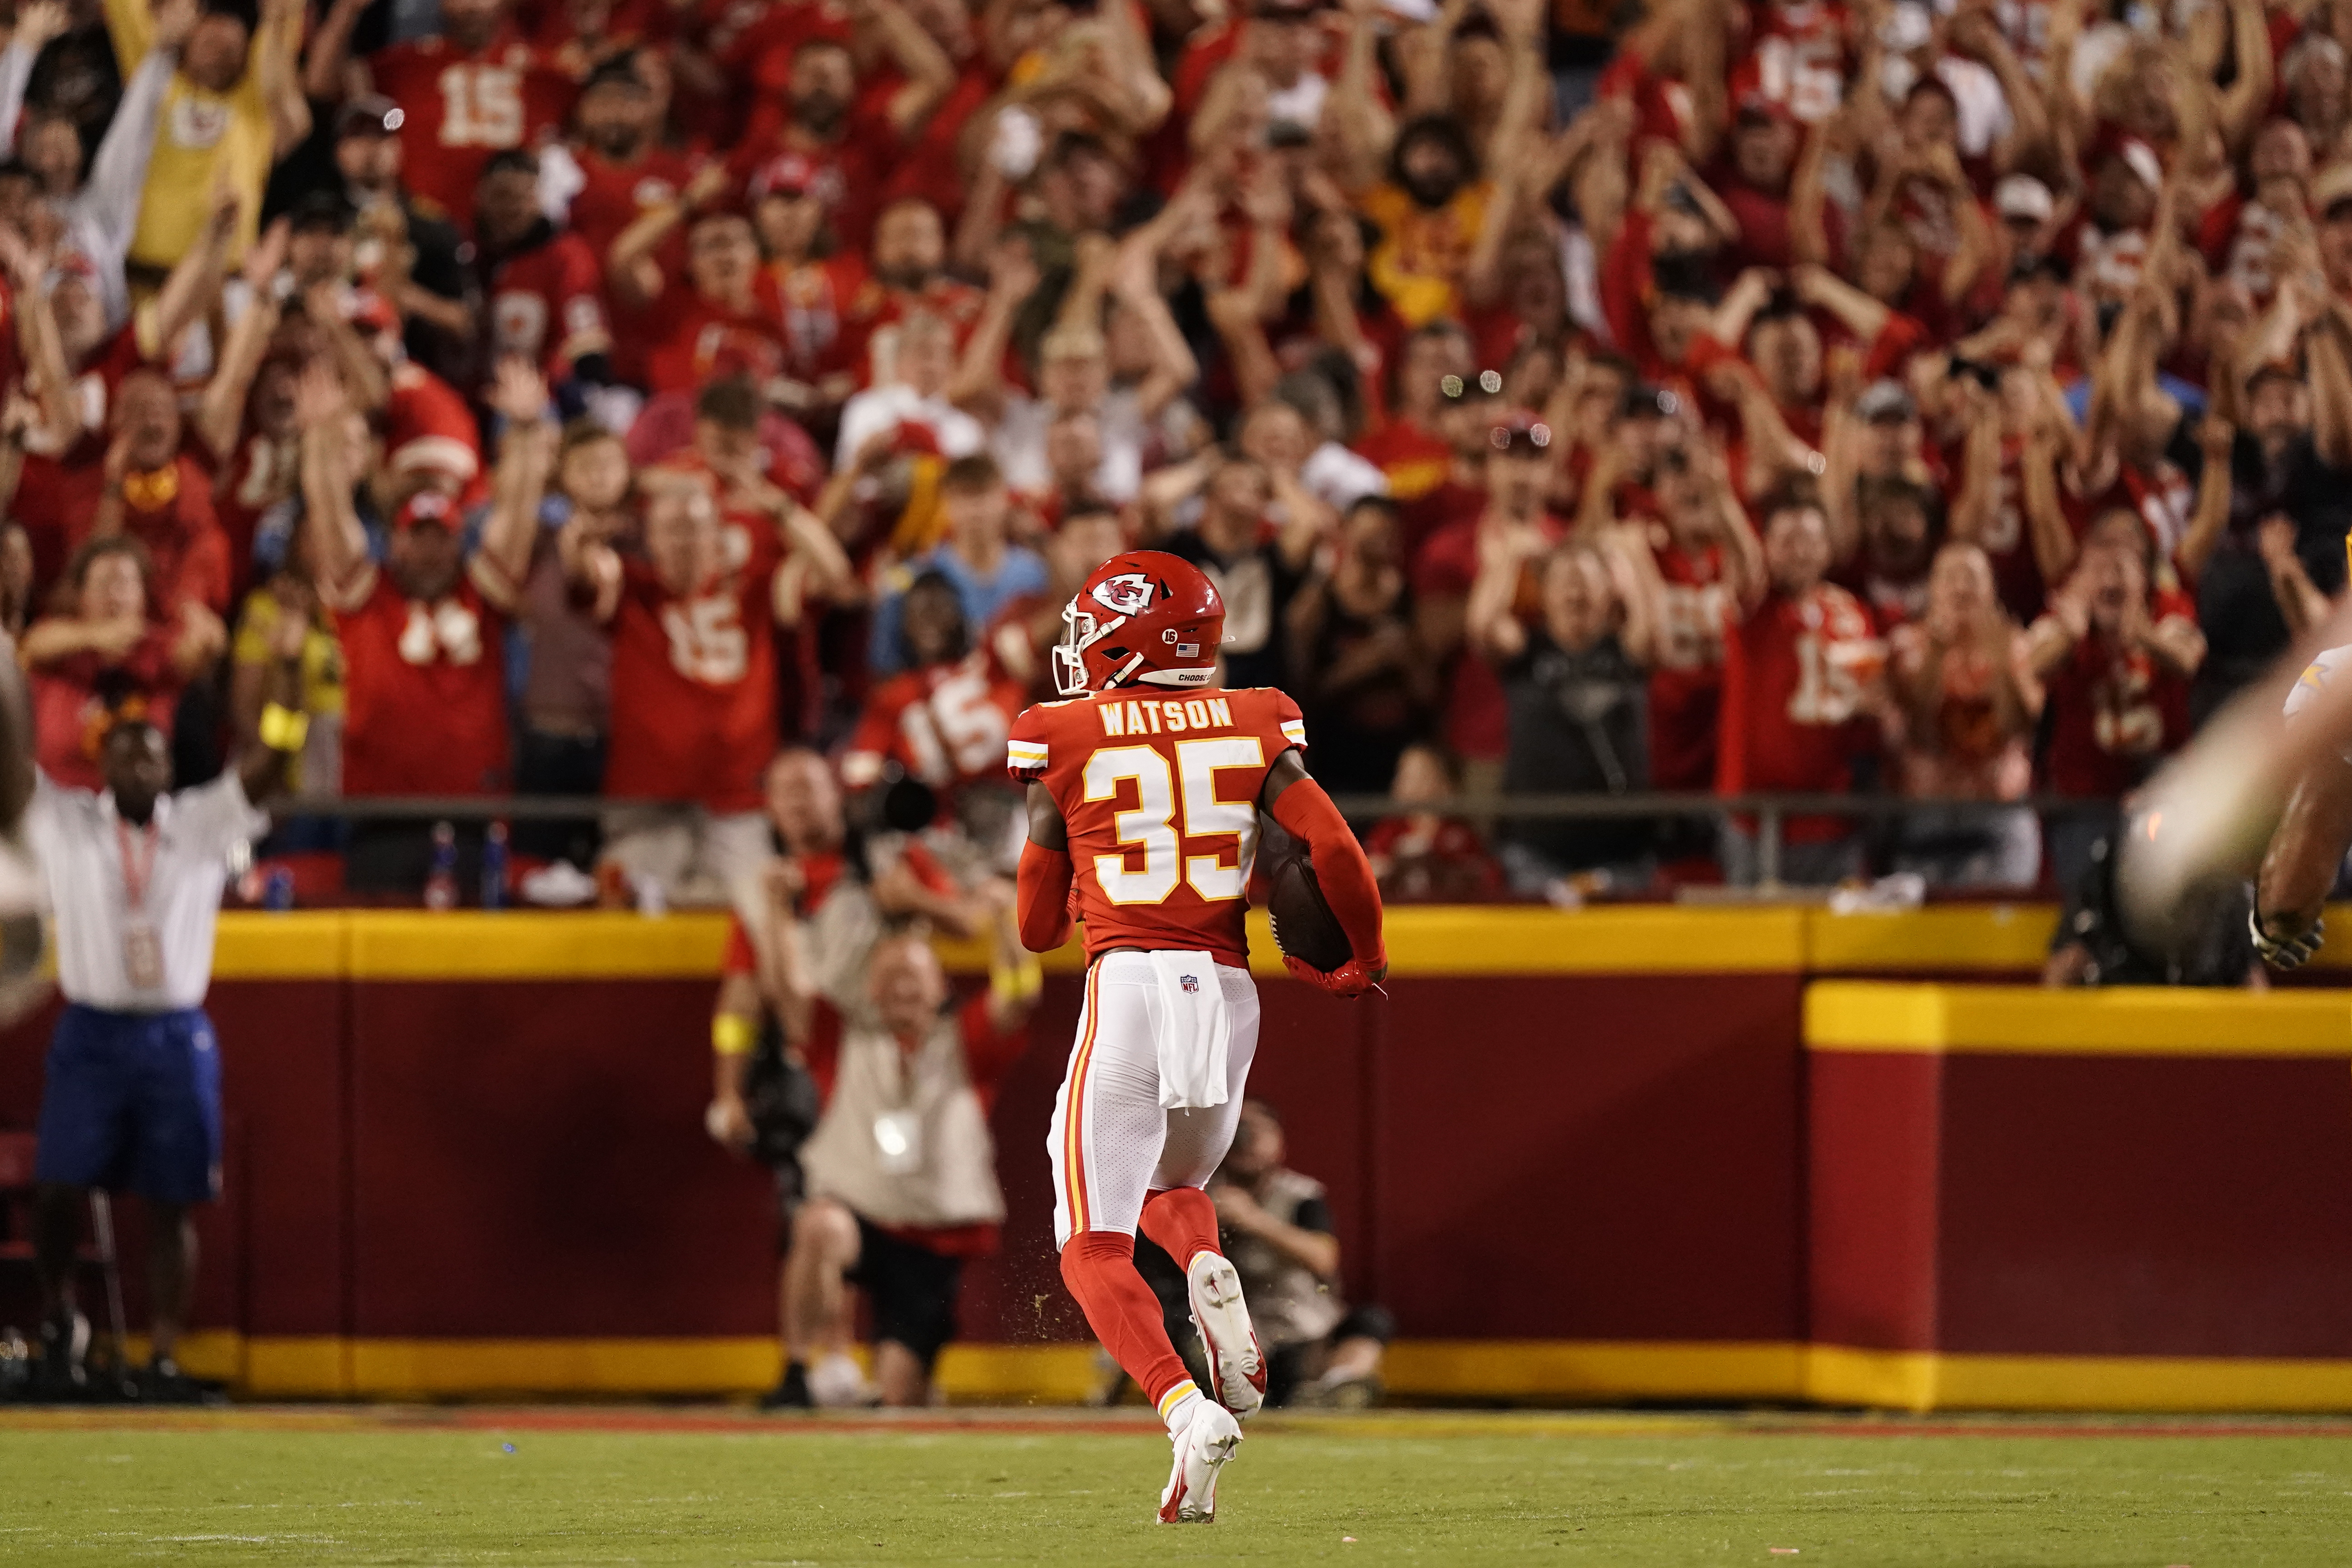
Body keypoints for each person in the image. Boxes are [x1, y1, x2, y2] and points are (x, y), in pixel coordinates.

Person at [1009, 550, 1386, 1523]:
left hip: (1129, 980)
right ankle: (1206, 1268)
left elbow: (1035, 929)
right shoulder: (1258, 717)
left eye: (1096, 630)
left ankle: (1184, 1411)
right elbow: (1334, 848)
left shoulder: (1064, 734)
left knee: (1089, 1244)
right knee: (1173, 1186)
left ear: (1134, 639)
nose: (1082, 647)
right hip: (1226, 989)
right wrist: (1362, 958)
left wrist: (1073, 858)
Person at [20, 594, 306, 1399]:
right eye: (128, 755)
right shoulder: (70, 821)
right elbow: (12, 772)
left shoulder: (203, 820)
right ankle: (59, 1320)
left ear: (169, 768)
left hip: (175, 1032)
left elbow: (271, 763)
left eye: (153, 756)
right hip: (92, 1026)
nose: (142, 767)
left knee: (173, 1199)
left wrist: (286, 673)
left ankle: (166, 1353)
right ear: (105, 764)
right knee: (56, 1186)